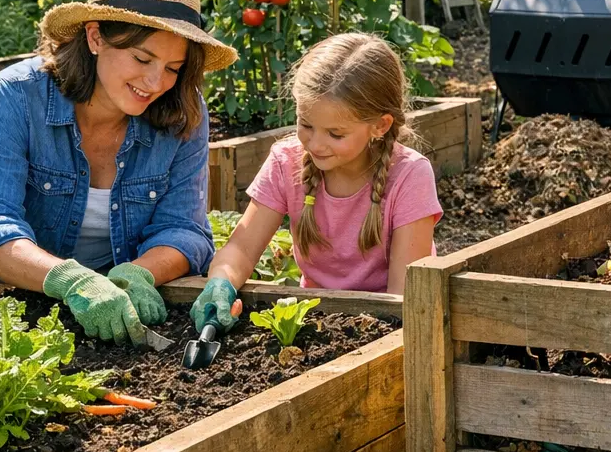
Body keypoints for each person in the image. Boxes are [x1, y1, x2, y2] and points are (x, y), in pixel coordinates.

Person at [0, 0, 237, 344]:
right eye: (142, 58)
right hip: (7, 308)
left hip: (113, 310)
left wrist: (140, 273)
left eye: (173, 67)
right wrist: (71, 280)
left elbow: (183, 228)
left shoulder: (184, 109)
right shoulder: (16, 95)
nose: (155, 82)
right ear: (96, 37)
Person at [189, 32, 442, 333]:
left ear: (380, 125)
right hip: (315, 320)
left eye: (336, 134)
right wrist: (221, 281)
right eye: (305, 125)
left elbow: (403, 298)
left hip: (387, 326)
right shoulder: (286, 162)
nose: (316, 144)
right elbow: (242, 249)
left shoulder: (410, 176)